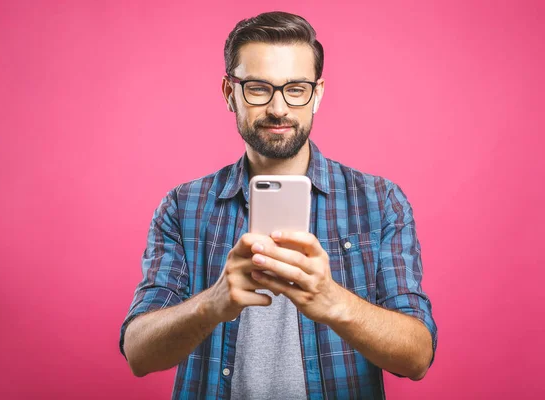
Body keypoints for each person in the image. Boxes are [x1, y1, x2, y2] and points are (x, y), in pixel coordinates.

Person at [119, 11, 437, 399]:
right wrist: (212, 304)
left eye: (296, 88)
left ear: (316, 94)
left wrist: (333, 301)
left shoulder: (380, 202)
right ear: (229, 93)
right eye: (257, 87)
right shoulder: (183, 207)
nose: (279, 108)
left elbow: (418, 356)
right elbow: (138, 352)